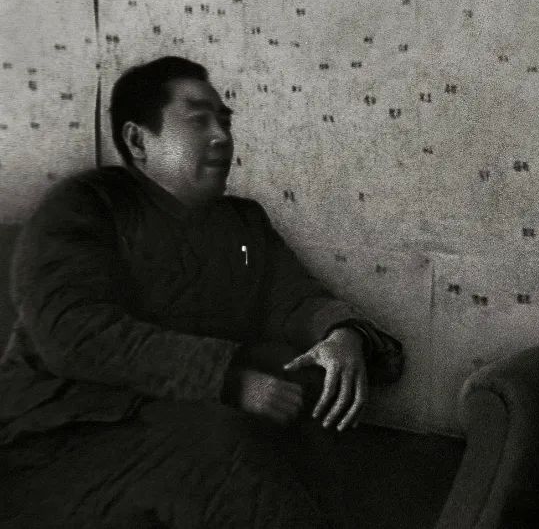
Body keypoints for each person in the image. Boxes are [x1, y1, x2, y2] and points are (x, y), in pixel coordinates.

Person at [0, 56, 403, 528]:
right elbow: (74, 333)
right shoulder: (86, 206)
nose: (221, 136)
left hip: (181, 418)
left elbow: (290, 297)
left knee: (308, 392)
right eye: (198, 121)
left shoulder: (241, 227)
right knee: (219, 445)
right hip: (63, 433)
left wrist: (340, 335)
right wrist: (229, 381)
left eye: (224, 121)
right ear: (138, 140)